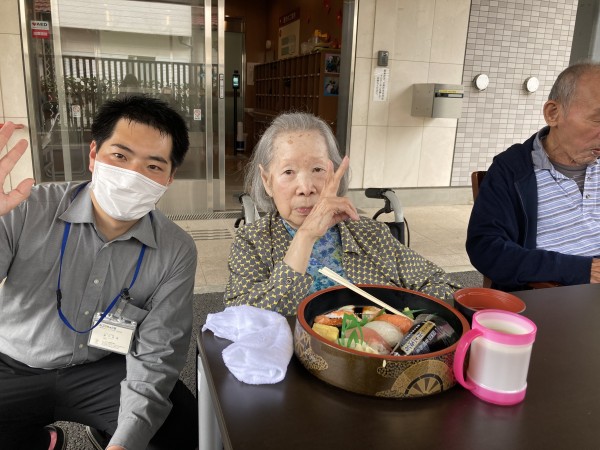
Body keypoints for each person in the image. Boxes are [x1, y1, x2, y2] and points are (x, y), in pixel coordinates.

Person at [0, 96, 198, 450]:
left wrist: (125, 442)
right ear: (93, 154)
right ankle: (40, 440)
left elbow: (158, 354)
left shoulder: (176, 249)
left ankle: (105, 433)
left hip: (103, 367)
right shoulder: (26, 207)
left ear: (169, 178)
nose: (133, 176)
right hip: (13, 363)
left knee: (182, 431)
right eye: (120, 156)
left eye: (153, 166)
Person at [224, 112, 459, 315]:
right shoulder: (252, 242)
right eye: (288, 172)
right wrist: (306, 236)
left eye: (318, 169)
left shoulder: (370, 234)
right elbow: (240, 319)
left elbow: (443, 287)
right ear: (267, 181)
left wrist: (405, 326)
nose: (305, 187)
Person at [466, 62, 600, 291]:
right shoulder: (512, 170)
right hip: (553, 296)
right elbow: (487, 249)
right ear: (553, 113)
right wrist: (578, 270)